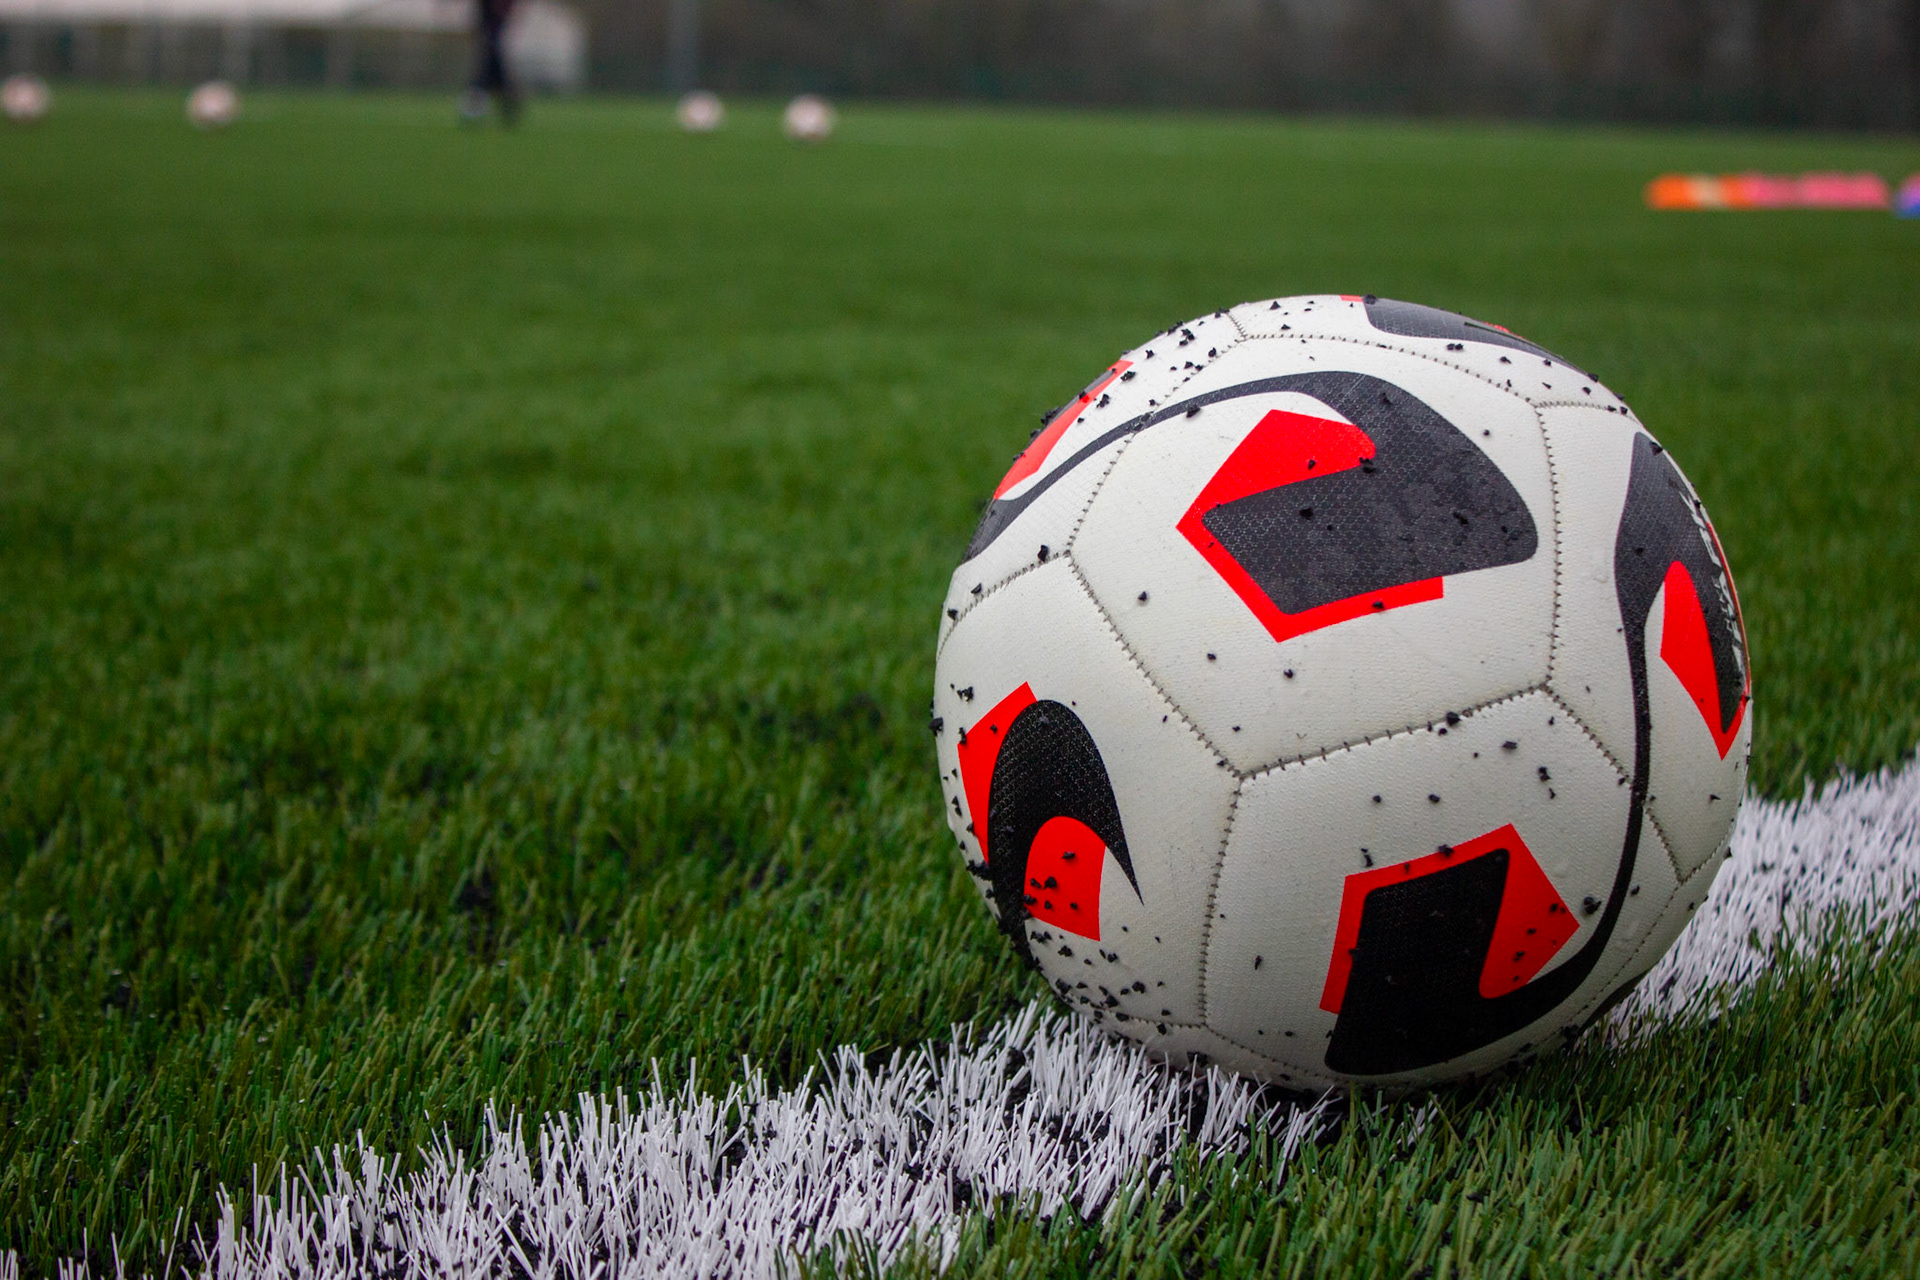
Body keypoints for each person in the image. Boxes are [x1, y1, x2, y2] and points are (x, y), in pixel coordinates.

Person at [460, 0, 520, 125]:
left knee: (491, 50)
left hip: (496, 13)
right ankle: (507, 96)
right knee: (491, 52)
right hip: (491, 14)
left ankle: (478, 94)